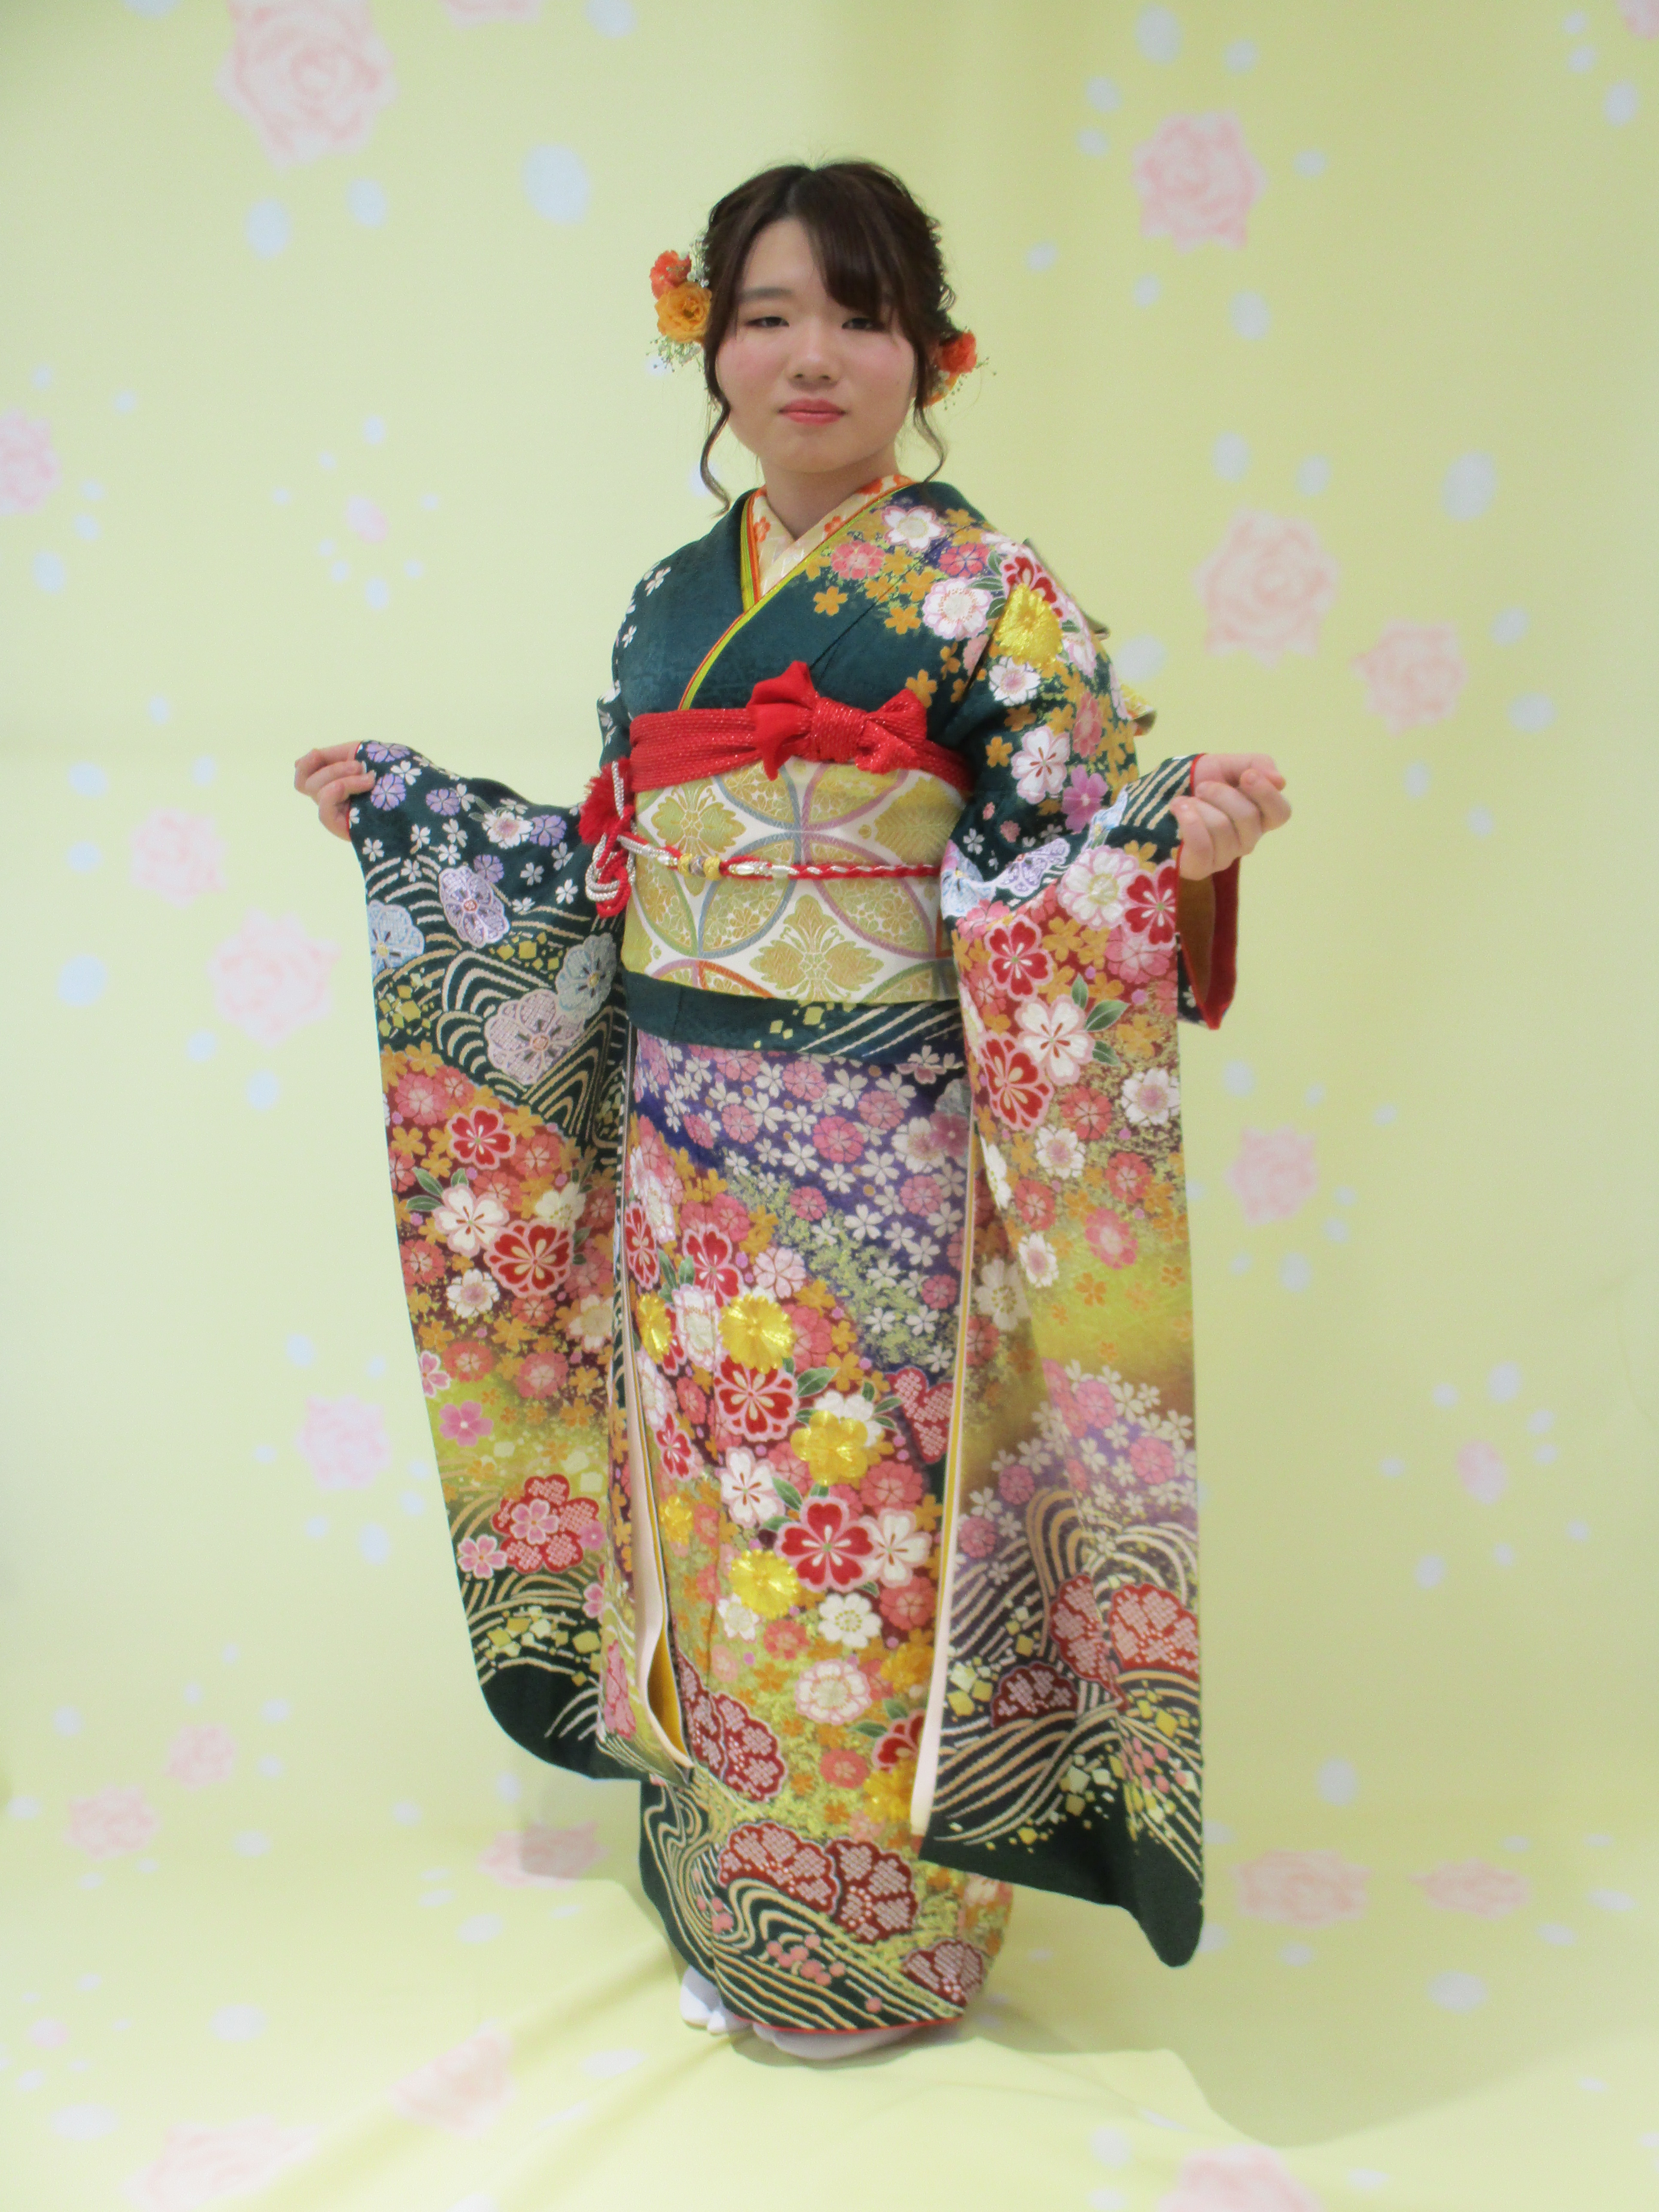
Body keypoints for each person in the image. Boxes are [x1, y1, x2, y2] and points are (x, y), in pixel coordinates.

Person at [295, 159, 1290, 2061]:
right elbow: (607, 871)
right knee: (712, 1530)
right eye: (766, 315)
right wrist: (424, 825)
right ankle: (737, 1901)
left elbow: (1060, 870)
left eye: (859, 313)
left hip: (885, 1172)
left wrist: (1168, 849)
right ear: (710, 347)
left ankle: (883, 1948)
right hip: (684, 1169)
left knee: (858, 1541)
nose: (811, 354)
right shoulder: (670, 605)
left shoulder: (993, 601)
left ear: (932, 353)